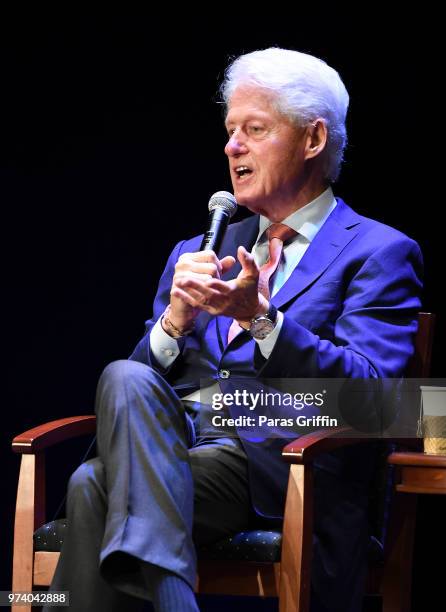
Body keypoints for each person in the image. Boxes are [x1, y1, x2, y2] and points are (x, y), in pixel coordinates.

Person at [46, 48, 422, 612]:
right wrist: (175, 323)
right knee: (125, 375)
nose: (231, 146)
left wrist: (260, 319)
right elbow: (138, 398)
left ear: (313, 139)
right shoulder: (197, 251)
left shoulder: (378, 252)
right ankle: (174, 594)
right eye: (229, 131)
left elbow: (375, 397)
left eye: (254, 129)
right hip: (181, 457)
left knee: (91, 489)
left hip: (283, 471)